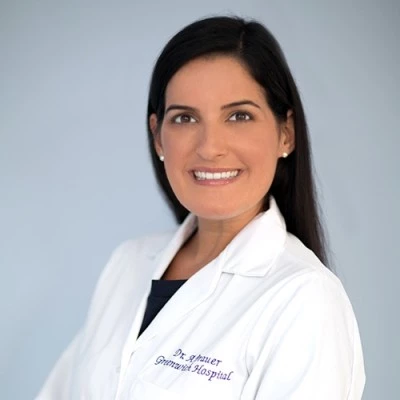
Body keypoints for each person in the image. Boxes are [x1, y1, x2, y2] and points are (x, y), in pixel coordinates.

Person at [37, 16, 365, 399]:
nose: (210, 147)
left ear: (285, 133)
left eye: (238, 116)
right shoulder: (127, 264)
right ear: (158, 137)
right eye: (185, 118)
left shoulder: (304, 299)